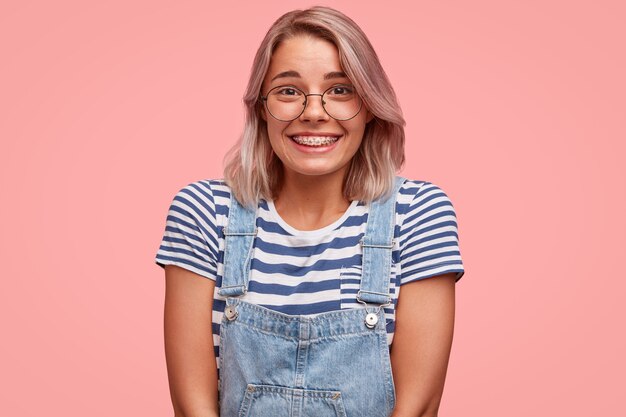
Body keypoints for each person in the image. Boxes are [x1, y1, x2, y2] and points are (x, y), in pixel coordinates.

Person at [155, 6, 465, 417]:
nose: (314, 112)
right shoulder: (205, 213)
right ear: (261, 106)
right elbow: (192, 407)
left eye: (340, 90)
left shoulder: (418, 214)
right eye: (288, 91)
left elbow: (418, 407)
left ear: (369, 105)